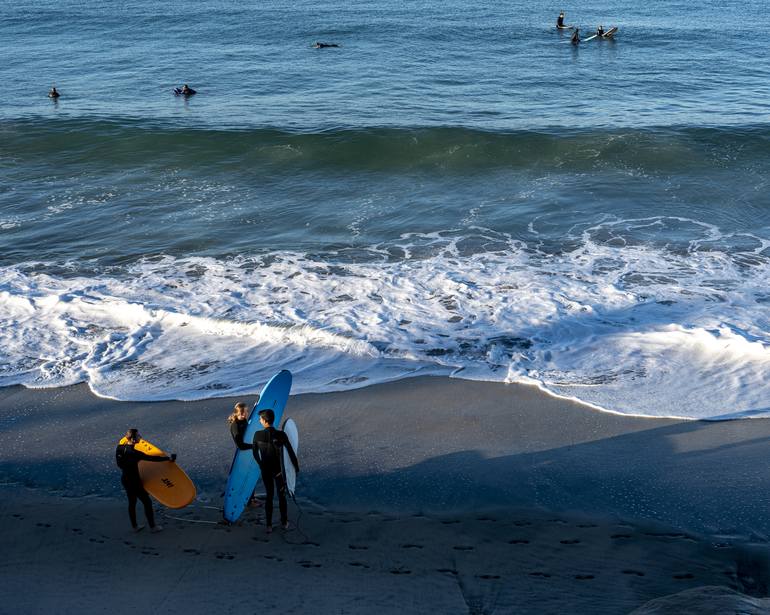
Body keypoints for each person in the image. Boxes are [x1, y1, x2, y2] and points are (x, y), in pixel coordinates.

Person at [115, 428, 175, 533]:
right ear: (133, 439)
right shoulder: (135, 453)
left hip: (125, 479)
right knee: (147, 502)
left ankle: (135, 527)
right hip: (135, 482)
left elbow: (119, 464)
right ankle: (153, 527)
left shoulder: (119, 448)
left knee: (132, 503)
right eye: (138, 436)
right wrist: (168, 458)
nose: (141, 437)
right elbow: (152, 458)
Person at [252, 409, 299, 533]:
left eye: (260, 419)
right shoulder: (281, 435)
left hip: (265, 470)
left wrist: (261, 465)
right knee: (281, 496)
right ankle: (284, 522)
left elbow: (255, 453)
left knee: (269, 496)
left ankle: (269, 525)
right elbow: (290, 452)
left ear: (264, 420)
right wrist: (295, 467)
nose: (259, 420)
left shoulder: (257, 435)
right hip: (279, 471)